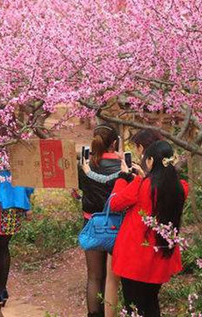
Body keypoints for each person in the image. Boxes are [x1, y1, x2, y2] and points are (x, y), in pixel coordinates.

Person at [109, 141, 188, 317]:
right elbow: (161, 187)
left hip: (135, 257)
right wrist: (143, 177)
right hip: (160, 256)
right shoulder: (181, 187)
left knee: (133, 307)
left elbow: (115, 203)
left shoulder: (141, 185)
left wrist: (123, 177)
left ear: (151, 161)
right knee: (151, 302)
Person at [78, 124, 122, 317]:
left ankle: (94, 314)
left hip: (92, 224)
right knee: (113, 279)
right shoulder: (123, 166)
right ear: (114, 143)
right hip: (118, 226)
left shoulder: (87, 166)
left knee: (94, 276)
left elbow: (79, 191)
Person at [0, 149, 34, 309]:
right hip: (16, 205)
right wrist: (27, 202)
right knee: (4, 248)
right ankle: (3, 292)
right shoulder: (21, 145)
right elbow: (29, 180)